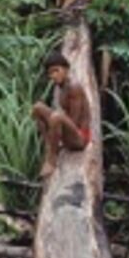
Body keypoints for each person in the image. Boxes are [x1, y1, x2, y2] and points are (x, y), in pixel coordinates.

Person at [32, 50, 92, 178]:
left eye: (56, 70)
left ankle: (51, 161)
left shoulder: (74, 87)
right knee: (37, 107)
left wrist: (56, 130)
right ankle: (50, 147)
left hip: (80, 138)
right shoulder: (61, 86)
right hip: (69, 133)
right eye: (50, 73)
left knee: (56, 117)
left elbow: (74, 123)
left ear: (66, 69)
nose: (53, 75)